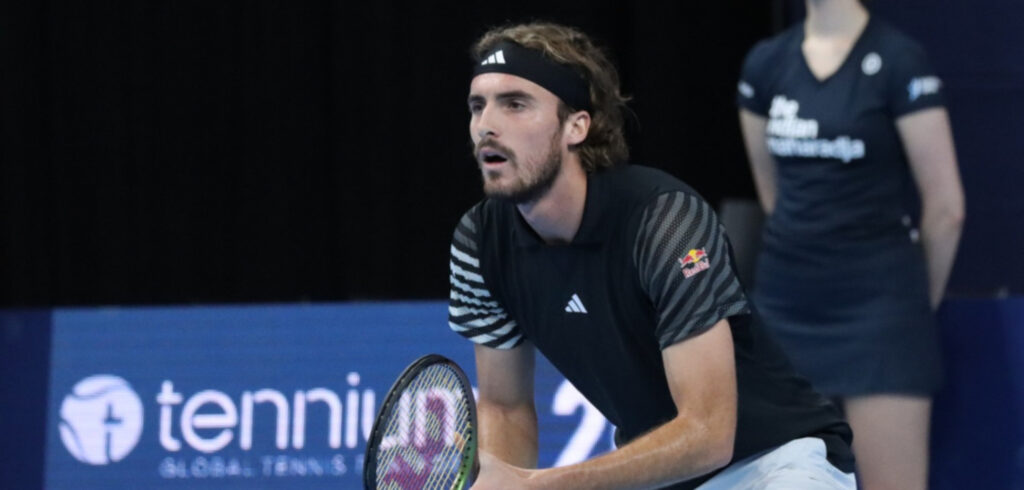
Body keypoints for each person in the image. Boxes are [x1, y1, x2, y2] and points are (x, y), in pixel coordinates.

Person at [448, 21, 857, 489]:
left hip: (776, 462)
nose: (486, 125)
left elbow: (709, 434)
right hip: (666, 478)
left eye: (515, 104)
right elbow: (505, 406)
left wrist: (541, 485)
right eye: (477, 107)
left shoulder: (664, 222)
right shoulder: (478, 242)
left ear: (576, 126)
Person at [736, 1, 966, 489]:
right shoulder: (766, 62)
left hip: (880, 308)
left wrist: (914, 306)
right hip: (785, 305)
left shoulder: (899, 59)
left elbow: (946, 208)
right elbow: (773, 194)